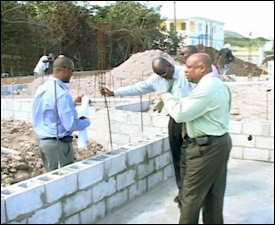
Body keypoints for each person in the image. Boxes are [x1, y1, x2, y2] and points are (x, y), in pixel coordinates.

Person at [100, 56, 195, 205]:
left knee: (190, 158)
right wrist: (114, 93)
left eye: (164, 74)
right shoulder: (156, 80)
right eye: (160, 75)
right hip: (175, 121)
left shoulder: (185, 74)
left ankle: (192, 193)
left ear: (170, 66)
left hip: (191, 120)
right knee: (177, 158)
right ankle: (182, 191)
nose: (163, 77)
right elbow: (138, 88)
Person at [159, 53, 232, 224]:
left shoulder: (206, 89)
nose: (185, 71)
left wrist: (166, 97)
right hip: (219, 143)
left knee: (190, 196)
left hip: (205, 148)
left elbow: (180, 113)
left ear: (202, 68)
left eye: (190, 67)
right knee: (213, 195)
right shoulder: (217, 85)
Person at [32, 56, 91, 171]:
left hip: (44, 143)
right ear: (66, 70)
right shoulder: (61, 94)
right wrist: (86, 121)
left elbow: (50, 111)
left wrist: (72, 104)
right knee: (64, 184)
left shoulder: (43, 89)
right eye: (71, 71)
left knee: (52, 181)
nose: (71, 75)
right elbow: (71, 124)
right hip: (58, 146)